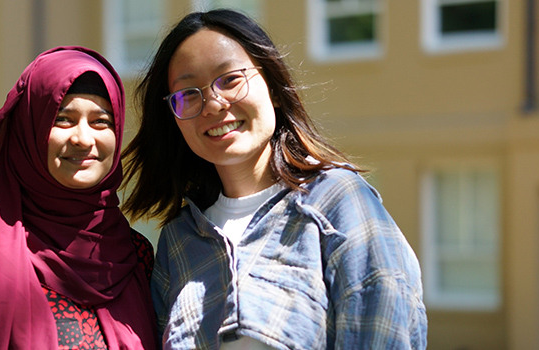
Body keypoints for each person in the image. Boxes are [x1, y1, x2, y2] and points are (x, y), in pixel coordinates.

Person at [121, 9, 427, 350]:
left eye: (230, 79)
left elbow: (384, 330)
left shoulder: (338, 201)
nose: (213, 104)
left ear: (274, 89)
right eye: (189, 93)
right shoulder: (179, 240)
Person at [0, 46, 158, 350]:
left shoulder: (136, 256)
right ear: (29, 132)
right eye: (63, 119)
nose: (83, 138)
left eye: (101, 121)